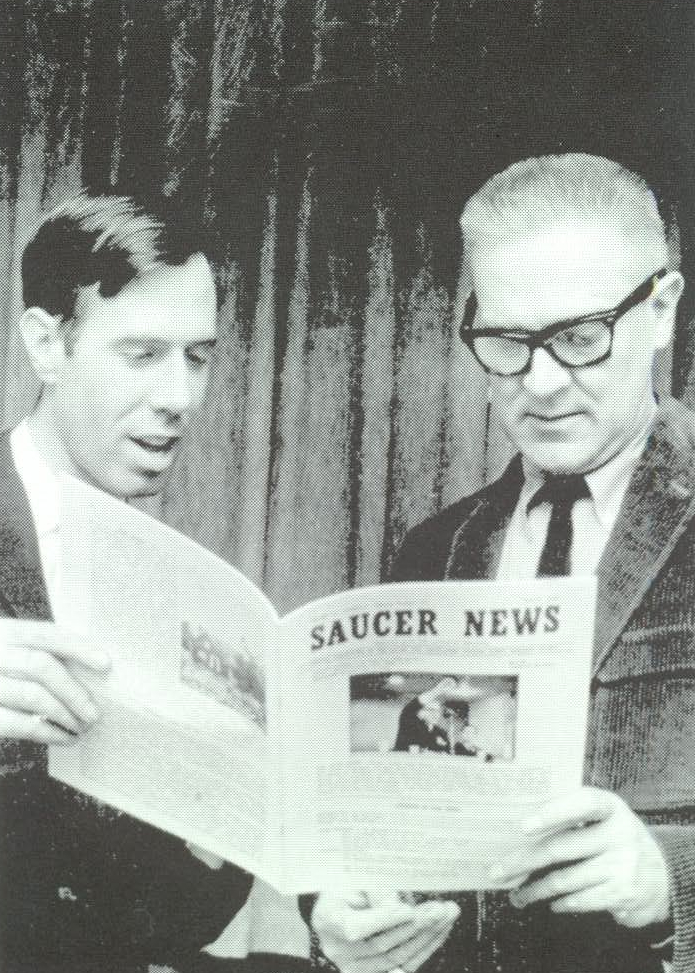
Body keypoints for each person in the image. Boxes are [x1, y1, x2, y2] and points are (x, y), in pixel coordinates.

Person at [305, 154, 695, 973]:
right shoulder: (433, 549)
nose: (540, 383)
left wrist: (669, 881)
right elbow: (371, 816)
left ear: (660, 309)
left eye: (580, 338)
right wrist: (340, 911)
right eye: (506, 342)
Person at [0, 193, 253, 973]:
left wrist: (229, 810)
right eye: (142, 355)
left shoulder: (174, 584)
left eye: (197, 357)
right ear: (47, 344)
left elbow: (167, 919)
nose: (179, 397)